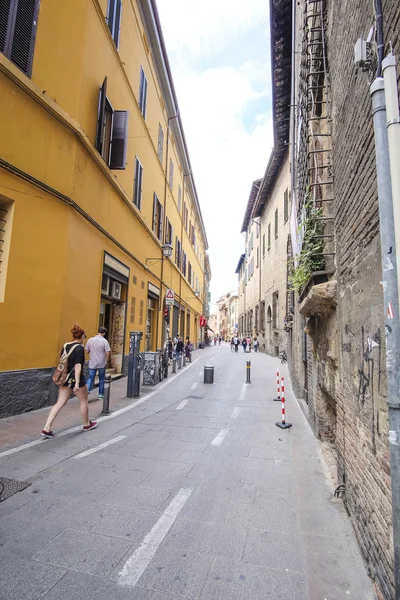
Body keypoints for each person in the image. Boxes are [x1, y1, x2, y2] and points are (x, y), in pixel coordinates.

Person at [41, 324, 97, 438]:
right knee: (83, 401)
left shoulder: (66, 345)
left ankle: (46, 428)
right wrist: (76, 383)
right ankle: (86, 424)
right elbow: (77, 365)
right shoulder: (80, 348)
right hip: (76, 379)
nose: (84, 339)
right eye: (84, 336)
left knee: (59, 402)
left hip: (65, 378)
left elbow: (63, 362)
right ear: (81, 336)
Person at [85, 327, 111, 399]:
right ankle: (100, 394)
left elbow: (86, 351)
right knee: (102, 378)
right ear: (104, 333)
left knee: (90, 377)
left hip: (92, 362)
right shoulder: (105, 341)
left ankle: (87, 390)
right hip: (101, 362)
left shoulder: (90, 340)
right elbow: (108, 353)